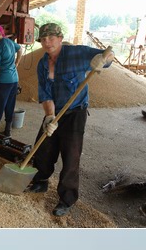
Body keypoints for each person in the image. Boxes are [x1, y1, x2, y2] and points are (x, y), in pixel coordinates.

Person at [27, 23, 115, 217]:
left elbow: (108, 55)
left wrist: (102, 60)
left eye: (51, 38)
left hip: (75, 112)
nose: (47, 42)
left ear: (60, 38)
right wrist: (50, 117)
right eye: (43, 39)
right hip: (55, 111)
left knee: (71, 155)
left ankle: (66, 199)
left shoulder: (77, 53)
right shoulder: (43, 64)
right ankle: (40, 182)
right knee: (43, 148)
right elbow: (45, 92)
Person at [0, 22, 23, 137]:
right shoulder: (9, 42)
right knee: (10, 104)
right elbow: (20, 49)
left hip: (2, 82)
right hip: (14, 80)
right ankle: (7, 131)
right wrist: (16, 63)